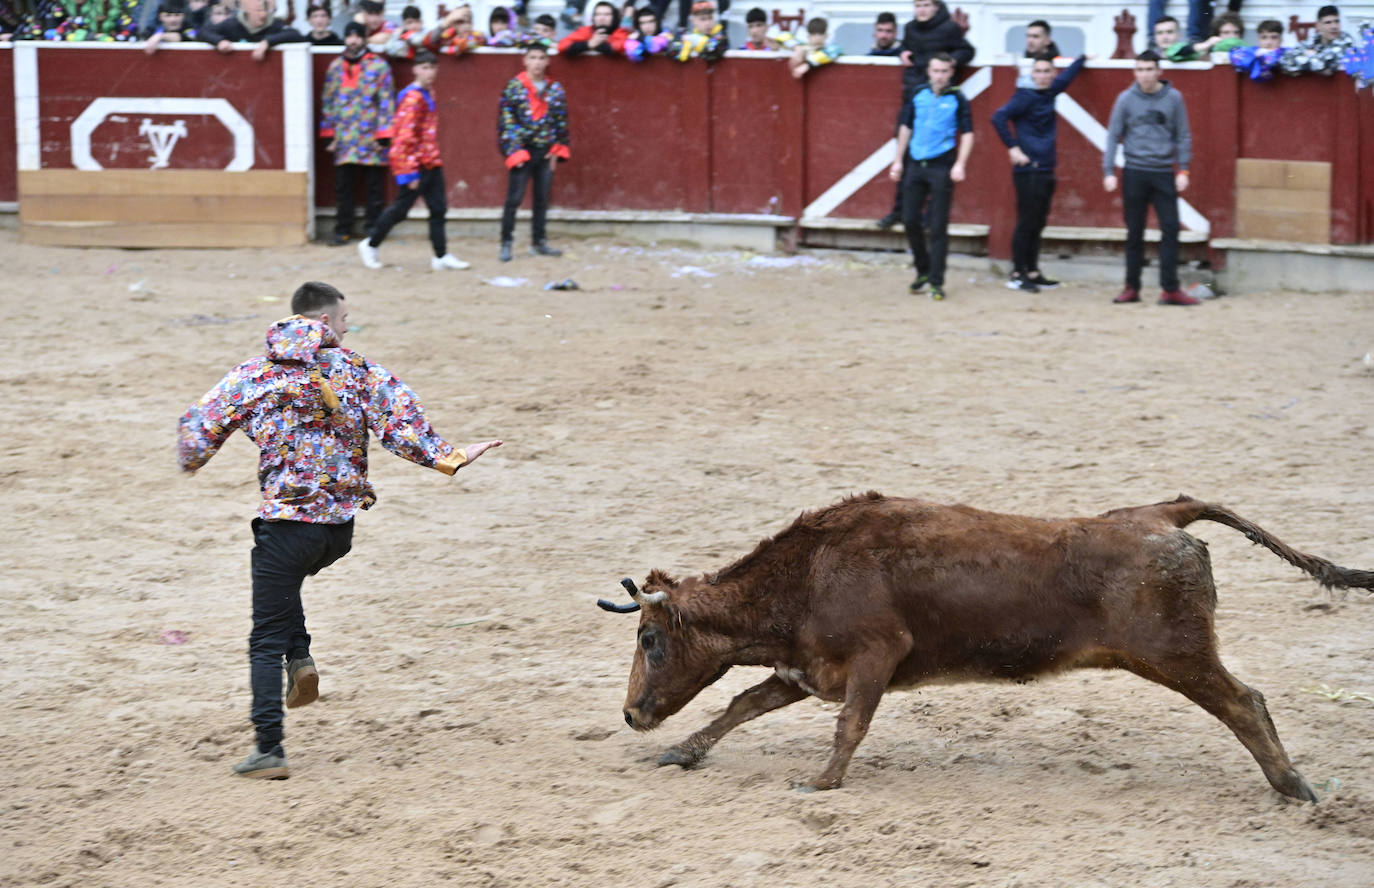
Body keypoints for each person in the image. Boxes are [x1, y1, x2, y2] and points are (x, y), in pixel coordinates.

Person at [177, 280, 502, 780]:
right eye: (345, 320)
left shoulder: (252, 375)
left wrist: (195, 455)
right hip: (337, 530)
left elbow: (198, 436)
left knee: (265, 635)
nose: (347, 329)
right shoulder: (358, 370)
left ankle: (269, 748)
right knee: (284, 589)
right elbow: (403, 426)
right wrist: (452, 457)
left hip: (286, 527)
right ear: (325, 322)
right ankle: (301, 656)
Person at [359, 51, 472, 272]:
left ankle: (441, 255)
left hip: (430, 161)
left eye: (432, 67)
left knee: (438, 209)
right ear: (416, 69)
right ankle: (370, 243)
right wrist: (408, 171)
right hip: (416, 165)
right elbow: (404, 137)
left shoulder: (427, 93)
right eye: (424, 68)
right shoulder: (413, 98)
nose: (429, 72)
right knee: (400, 209)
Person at [1102, 50, 1197, 306]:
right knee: (1135, 232)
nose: (1144, 75)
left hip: (1163, 172)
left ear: (1159, 71)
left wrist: (1184, 169)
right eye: (1140, 70)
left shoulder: (1174, 98)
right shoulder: (1125, 99)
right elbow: (1113, 135)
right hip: (1135, 172)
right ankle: (1131, 287)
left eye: (1149, 69)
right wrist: (1108, 171)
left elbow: (1183, 134)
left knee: (1171, 229)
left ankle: (1170, 289)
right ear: (1135, 72)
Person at [991, 52, 1088, 292]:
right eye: (1038, 72)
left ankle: (1032, 271)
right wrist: (1013, 148)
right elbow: (998, 117)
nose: (1043, 76)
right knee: (1027, 222)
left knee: (1038, 222)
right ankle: (1017, 272)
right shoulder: (1025, 96)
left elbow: (1067, 77)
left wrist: (1083, 58)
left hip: (1045, 167)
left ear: (1052, 74)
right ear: (1032, 74)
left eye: (1047, 71)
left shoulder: (1050, 92)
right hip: (1028, 170)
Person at [877, 0, 974, 229]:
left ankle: (929, 216)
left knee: (937, 161)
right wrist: (902, 52)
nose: (921, 10)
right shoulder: (911, 28)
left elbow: (967, 51)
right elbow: (906, 48)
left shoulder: (948, 28)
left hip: (938, 99)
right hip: (914, 97)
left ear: (935, 7)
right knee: (905, 157)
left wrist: (949, 63)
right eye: (918, 5)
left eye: (926, 5)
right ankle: (900, 211)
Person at [888, 53, 973, 302]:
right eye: (936, 71)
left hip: (941, 166)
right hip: (915, 164)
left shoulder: (958, 98)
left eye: (944, 71)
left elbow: (968, 133)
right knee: (909, 219)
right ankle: (923, 270)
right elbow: (906, 126)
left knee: (938, 225)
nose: (940, 76)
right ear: (929, 71)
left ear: (951, 72)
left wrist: (960, 164)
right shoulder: (919, 93)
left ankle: (936, 281)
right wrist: (898, 160)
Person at [498, 40, 572, 261]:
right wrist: (514, 150)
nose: (537, 63)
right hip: (523, 150)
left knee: (542, 199)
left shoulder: (555, 89)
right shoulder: (514, 87)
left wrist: (556, 150)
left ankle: (539, 242)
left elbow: (560, 123)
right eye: (532, 58)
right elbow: (506, 122)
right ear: (525, 60)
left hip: (545, 150)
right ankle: (506, 243)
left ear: (547, 61)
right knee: (514, 198)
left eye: (541, 58)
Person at [321, 21, 393, 246]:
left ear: (364, 38)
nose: (353, 41)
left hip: (370, 134)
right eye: (349, 36)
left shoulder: (379, 66)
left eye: (357, 36)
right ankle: (343, 229)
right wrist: (329, 133)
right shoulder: (335, 67)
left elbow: (386, 101)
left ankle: (373, 229)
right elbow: (328, 101)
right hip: (344, 136)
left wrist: (384, 134)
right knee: (343, 186)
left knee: (373, 186)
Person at [200, 0, 306, 59]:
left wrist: (267, 42)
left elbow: (296, 35)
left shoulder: (274, 24)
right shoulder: (232, 24)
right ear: (248, 12)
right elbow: (201, 32)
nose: (263, 15)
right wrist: (219, 41)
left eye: (265, 11)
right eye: (258, 11)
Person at [1280, 5, 1354, 75]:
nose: (1334, 26)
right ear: (1318, 26)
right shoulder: (1313, 40)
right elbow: (1286, 59)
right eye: (1328, 22)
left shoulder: (1346, 41)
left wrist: (1308, 56)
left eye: (1337, 21)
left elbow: (1325, 64)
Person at [558, 1, 630, 56]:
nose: (602, 18)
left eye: (607, 14)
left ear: (614, 17)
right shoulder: (586, 31)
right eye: (598, 14)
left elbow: (619, 47)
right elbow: (562, 45)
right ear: (593, 17)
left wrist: (596, 44)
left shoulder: (620, 31)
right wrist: (588, 44)